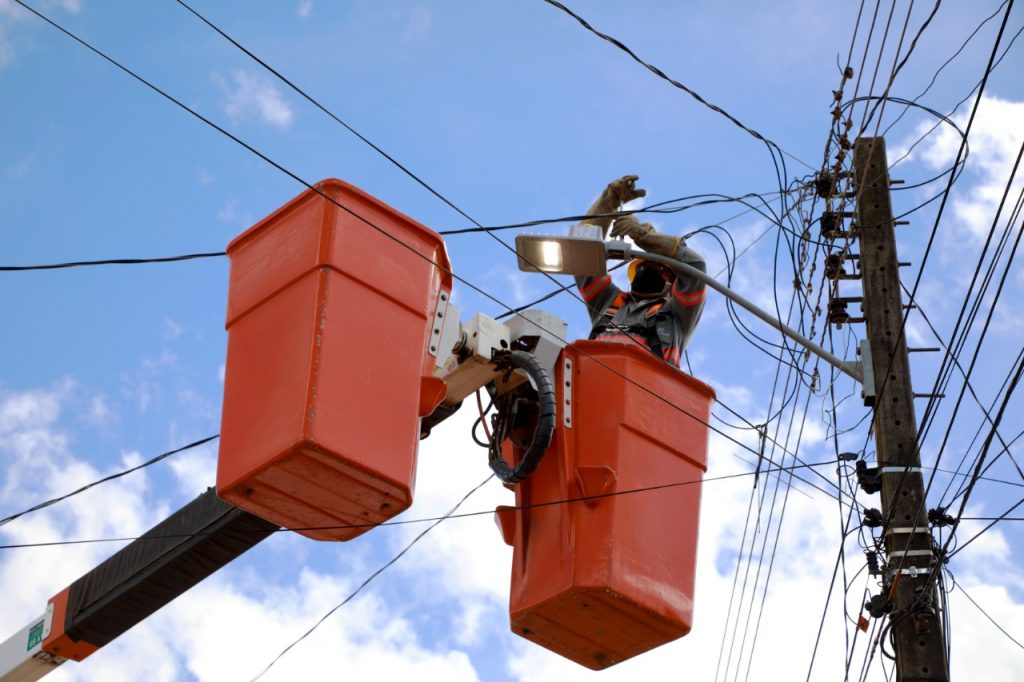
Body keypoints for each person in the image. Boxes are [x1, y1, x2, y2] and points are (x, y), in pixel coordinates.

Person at [574, 175, 706, 367]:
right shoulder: (609, 303)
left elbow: (696, 268)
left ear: (672, 286)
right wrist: (608, 203)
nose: (646, 268)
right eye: (642, 266)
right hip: (594, 385)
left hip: (646, 391)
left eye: (657, 267)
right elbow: (580, 254)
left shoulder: (677, 315)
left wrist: (644, 237)